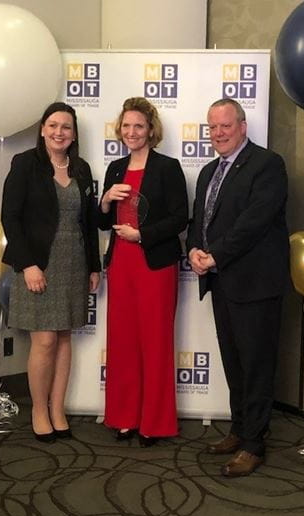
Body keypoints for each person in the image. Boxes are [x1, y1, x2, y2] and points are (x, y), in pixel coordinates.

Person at [187, 98, 289, 477]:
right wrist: (195, 250)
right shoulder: (209, 171)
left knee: (257, 365)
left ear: (243, 126)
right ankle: (239, 428)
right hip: (222, 281)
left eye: (225, 126)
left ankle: (254, 444)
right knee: (234, 362)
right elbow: (201, 218)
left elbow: (254, 222)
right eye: (212, 128)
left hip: (256, 283)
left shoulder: (267, 165)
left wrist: (214, 254)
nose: (218, 134)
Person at [1, 102, 101, 443]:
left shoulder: (83, 168)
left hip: (74, 261)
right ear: (43, 129)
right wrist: (28, 264)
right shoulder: (25, 164)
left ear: (74, 134)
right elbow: (10, 217)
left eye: (67, 127)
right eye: (53, 125)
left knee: (63, 338)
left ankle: (58, 409)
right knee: (43, 340)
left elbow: (88, 223)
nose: (60, 132)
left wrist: (94, 266)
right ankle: (39, 410)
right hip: (38, 263)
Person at [98, 97, 188, 447]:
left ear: (151, 130)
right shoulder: (115, 168)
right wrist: (105, 201)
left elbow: (180, 218)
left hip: (155, 266)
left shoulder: (168, 167)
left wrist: (142, 235)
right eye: (126, 126)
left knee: (155, 342)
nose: (131, 132)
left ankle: (153, 422)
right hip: (121, 264)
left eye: (138, 126)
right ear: (120, 130)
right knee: (122, 343)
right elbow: (104, 221)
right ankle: (124, 418)